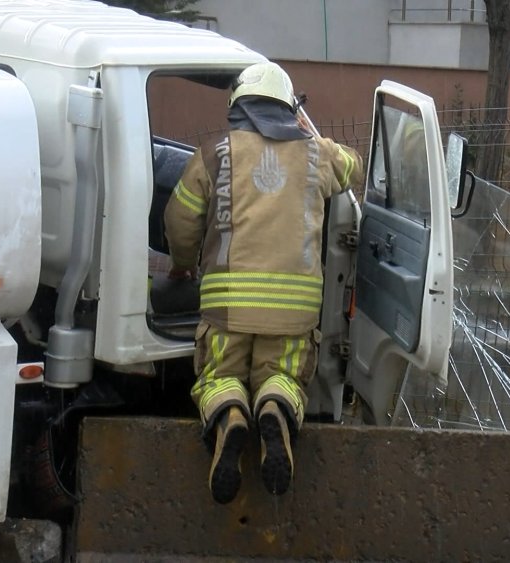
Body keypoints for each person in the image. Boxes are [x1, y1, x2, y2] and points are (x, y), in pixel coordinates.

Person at [163, 62, 364, 504]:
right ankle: (273, 407)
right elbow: (356, 166)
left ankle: (231, 415)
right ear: (288, 108)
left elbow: (180, 220)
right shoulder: (317, 155)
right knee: (283, 377)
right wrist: (313, 137)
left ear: (237, 107)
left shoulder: (214, 154)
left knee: (219, 375)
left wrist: (182, 265)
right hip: (294, 313)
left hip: (227, 307)